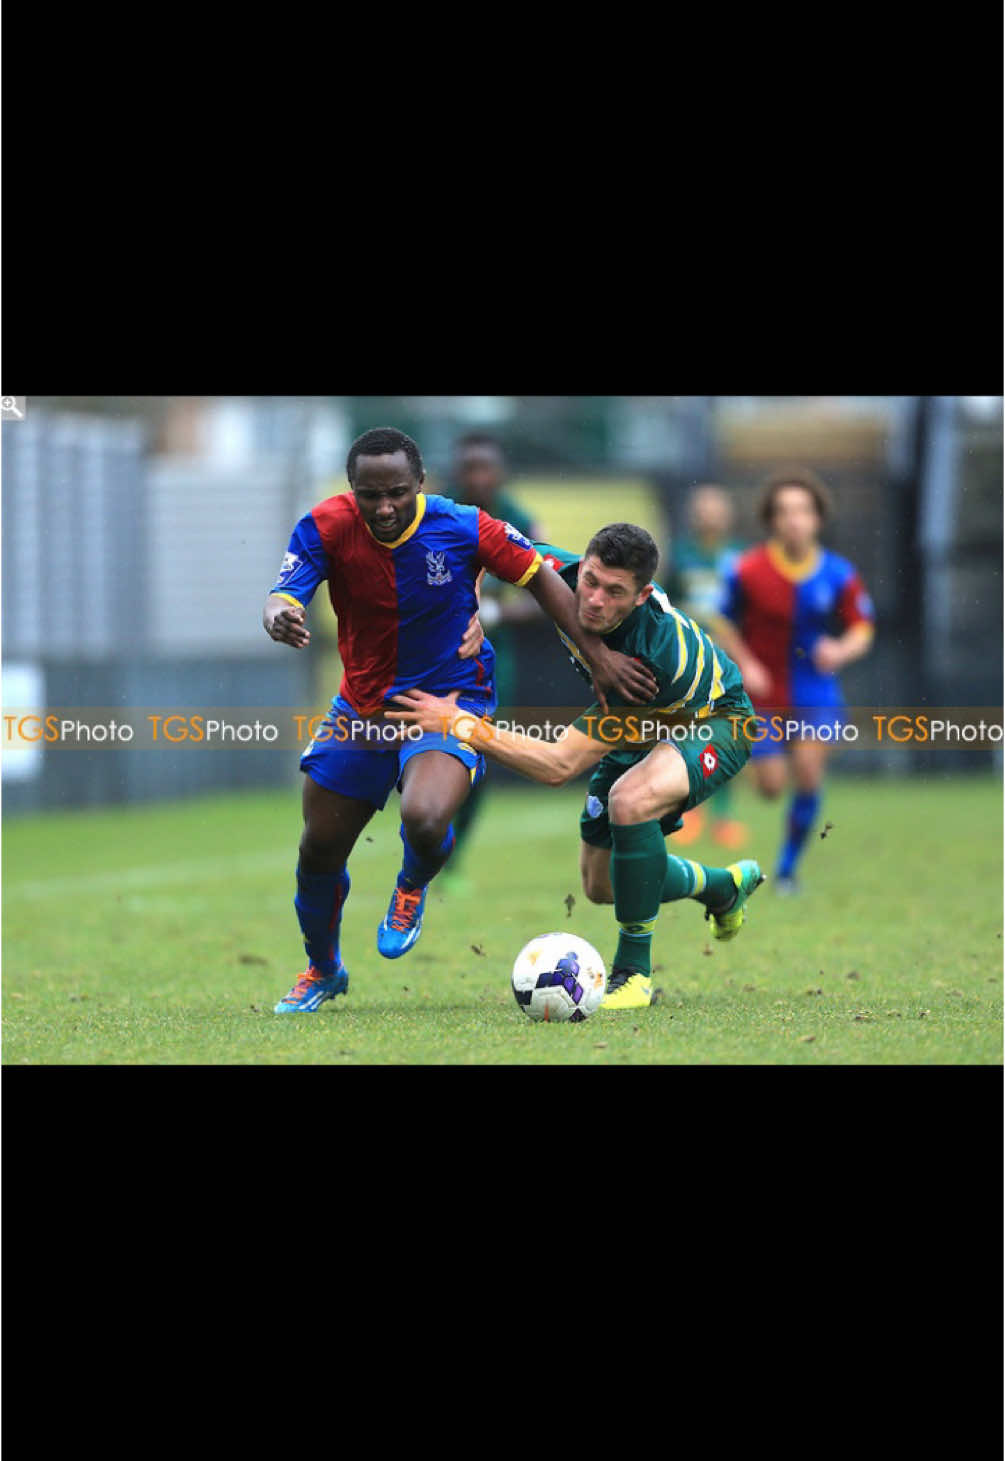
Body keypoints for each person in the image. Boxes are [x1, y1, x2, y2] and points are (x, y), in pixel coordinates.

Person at [262, 427, 658, 1013]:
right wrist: (279, 614)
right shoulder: (324, 524)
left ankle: (411, 883)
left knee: (424, 818)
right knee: (318, 849)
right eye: (371, 495)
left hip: (450, 699)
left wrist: (598, 659)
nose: (385, 507)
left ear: (421, 484)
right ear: (352, 489)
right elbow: (283, 593)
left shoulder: (465, 525)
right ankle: (322, 969)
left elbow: (543, 578)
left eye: (397, 492)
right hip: (362, 710)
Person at [387, 522, 764, 1013]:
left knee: (630, 800)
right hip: (642, 726)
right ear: (581, 565)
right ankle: (722, 887)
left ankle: (634, 974)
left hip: (715, 719)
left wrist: (457, 723)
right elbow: (480, 548)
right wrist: (471, 607)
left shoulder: (648, 658)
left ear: (642, 596)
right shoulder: (557, 571)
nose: (595, 600)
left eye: (615, 592)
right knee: (601, 885)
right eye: (591, 581)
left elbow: (557, 764)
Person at [711, 467, 875, 893]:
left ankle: (786, 870)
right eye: (784, 511)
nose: (794, 520)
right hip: (762, 693)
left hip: (814, 690)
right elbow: (721, 622)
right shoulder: (747, 569)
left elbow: (862, 628)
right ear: (771, 520)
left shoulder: (838, 573)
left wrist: (840, 650)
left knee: (807, 772)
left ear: (817, 518)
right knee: (770, 788)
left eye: (802, 510)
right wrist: (746, 662)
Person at [440, 434, 544, 888]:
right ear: (458, 472)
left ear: (500, 473)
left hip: (491, 662)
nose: (478, 477)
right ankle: (426, 838)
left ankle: (453, 853)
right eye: (470, 468)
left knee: (477, 751)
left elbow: (545, 594)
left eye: (486, 468)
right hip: (433, 658)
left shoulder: (521, 521)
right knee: (426, 748)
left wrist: (495, 612)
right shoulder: (435, 514)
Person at [665, 483, 749, 849]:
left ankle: (724, 817)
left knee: (727, 733)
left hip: (729, 657)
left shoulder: (741, 557)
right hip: (690, 658)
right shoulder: (680, 555)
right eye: (702, 509)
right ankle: (689, 809)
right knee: (687, 733)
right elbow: (667, 602)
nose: (708, 516)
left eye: (715, 509)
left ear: (727, 515)